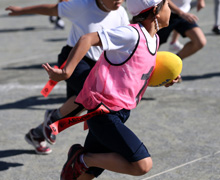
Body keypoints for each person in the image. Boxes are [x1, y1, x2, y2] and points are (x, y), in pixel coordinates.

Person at [42, 0, 181, 179]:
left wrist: (166, 79)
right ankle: (83, 158)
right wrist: (66, 71)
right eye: (168, 4)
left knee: (85, 175)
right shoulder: (131, 34)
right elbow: (87, 38)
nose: (171, 9)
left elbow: (138, 69)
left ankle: (83, 161)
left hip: (120, 112)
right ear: (155, 11)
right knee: (142, 165)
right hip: (104, 114)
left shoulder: (154, 39)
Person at [6, 0, 129, 155]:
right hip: (74, 60)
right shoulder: (82, 6)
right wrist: (21, 10)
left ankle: (37, 134)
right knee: (91, 96)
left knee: (75, 108)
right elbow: (52, 9)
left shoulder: (121, 12)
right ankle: (51, 120)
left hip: (98, 65)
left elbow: (127, 41)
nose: (119, 0)